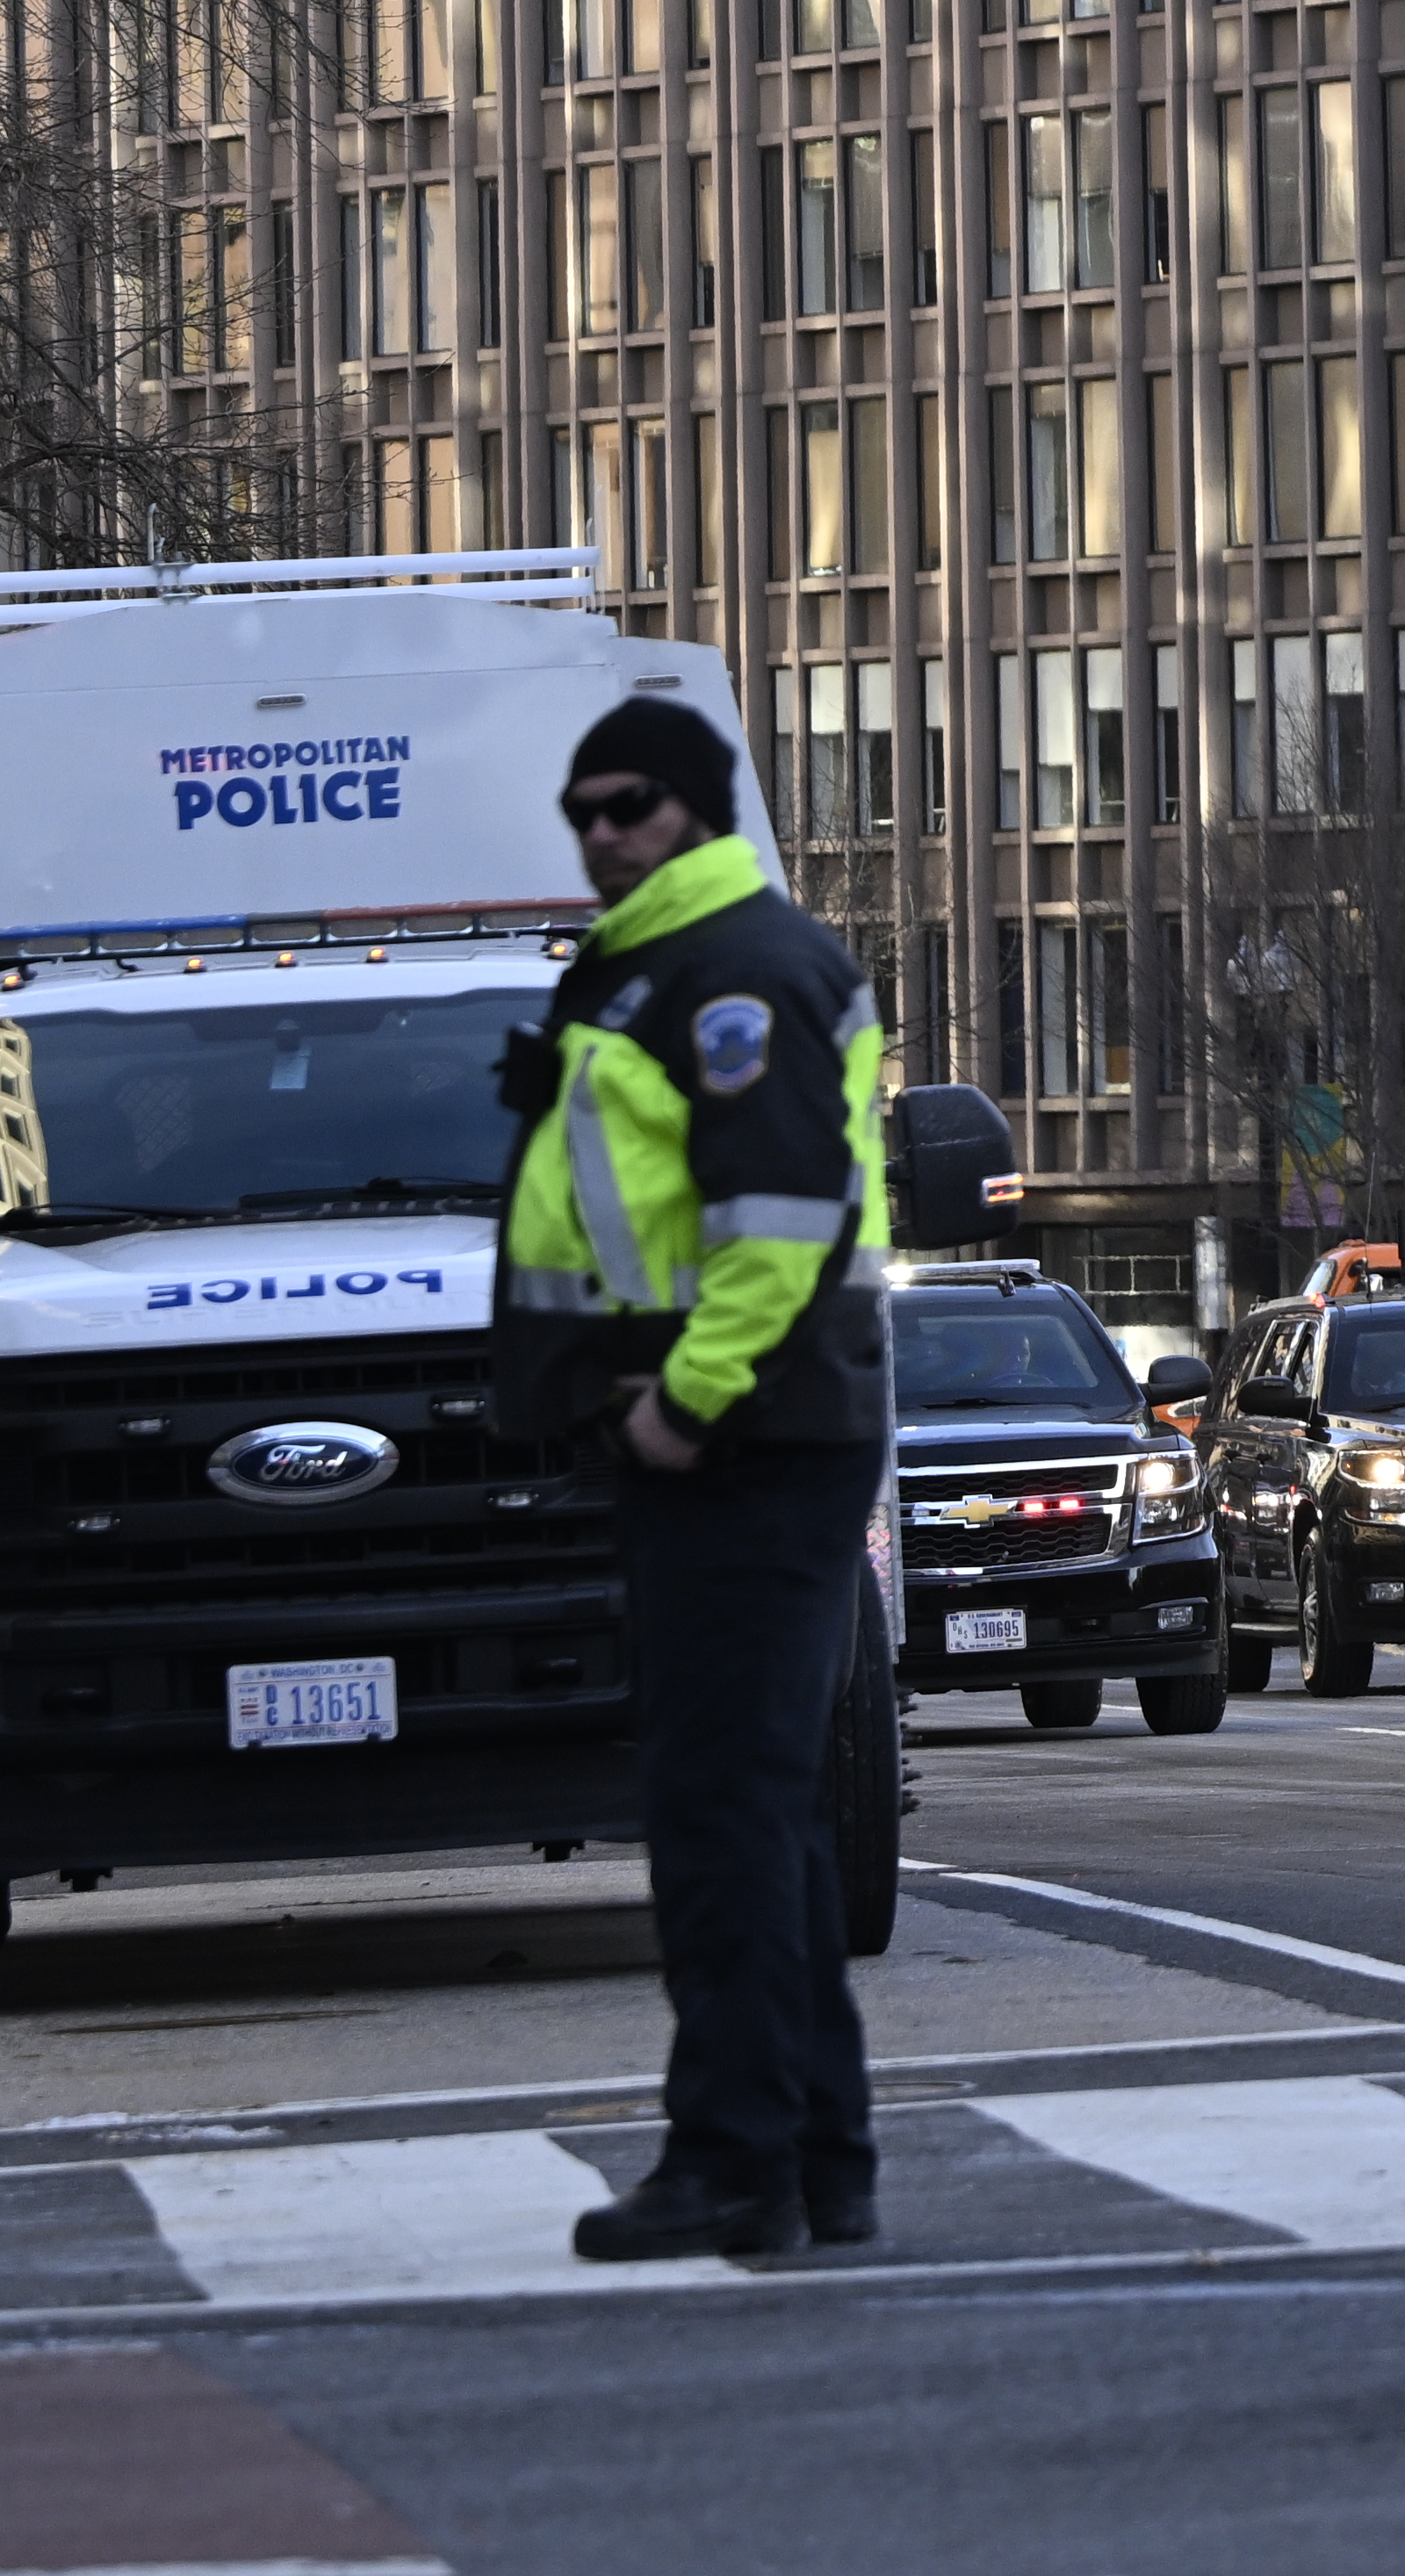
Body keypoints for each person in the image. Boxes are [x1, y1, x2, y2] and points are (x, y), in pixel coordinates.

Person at [498, 698, 890, 2264]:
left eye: (631, 802)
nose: (599, 830)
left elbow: (783, 1218)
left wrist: (685, 1403)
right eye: (580, 806)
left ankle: (733, 2158)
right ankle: (814, 2154)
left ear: (701, 806)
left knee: (720, 1811)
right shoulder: (665, 960)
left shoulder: (736, 968)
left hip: (745, 1440)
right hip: (730, 1436)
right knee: (762, 1810)